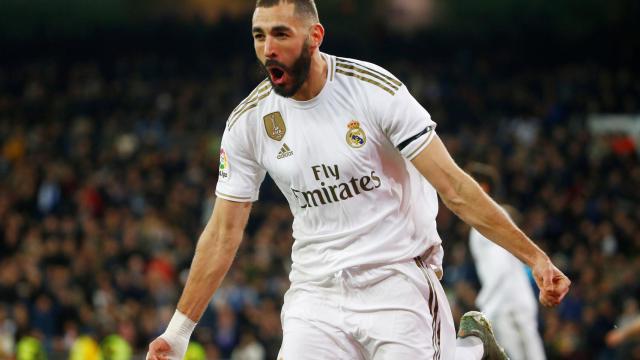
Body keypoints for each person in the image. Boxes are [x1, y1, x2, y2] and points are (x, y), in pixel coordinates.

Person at [146, 1, 571, 359]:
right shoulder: (248, 123)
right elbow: (222, 233)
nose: (268, 49)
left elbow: (456, 188)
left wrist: (534, 258)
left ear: (315, 36)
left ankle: (469, 349)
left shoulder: (373, 92)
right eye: (259, 36)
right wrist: (178, 332)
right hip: (316, 293)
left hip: (397, 280)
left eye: (281, 34)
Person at [466, 163, 547, 360]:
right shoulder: (498, 215)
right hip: (518, 296)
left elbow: (499, 264)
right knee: (532, 350)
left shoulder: (483, 221)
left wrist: (485, 304)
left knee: (518, 354)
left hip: (503, 302)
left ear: (482, 187)